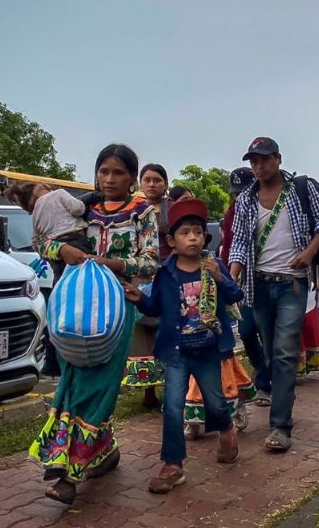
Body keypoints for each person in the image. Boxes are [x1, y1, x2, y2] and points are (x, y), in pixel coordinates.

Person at [29, 144, 159, 504]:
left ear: (132, 178)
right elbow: (40, 241)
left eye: (118, 173)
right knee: (72, 382)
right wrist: (62, 251)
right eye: (104, 171)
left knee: (100, 385)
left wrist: (111, 264)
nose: (109, 179)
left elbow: (150, 263)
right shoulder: (83, 208)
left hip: (118, 308)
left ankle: (68, 472)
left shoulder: (142, 212)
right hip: (76, 307)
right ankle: (103, 452)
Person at [122, 199, 243, 493]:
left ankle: (226, 429)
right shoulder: (165, 273)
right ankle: (173, 465)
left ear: (205, 236)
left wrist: (219, 277)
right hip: (175, 352)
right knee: (174, 408)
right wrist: (140, 299)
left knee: (215, 402)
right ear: (170, 240)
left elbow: (234, 295)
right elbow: (157, 309)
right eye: (185, 232)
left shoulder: (213, 265)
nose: (193, 238)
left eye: (198, 232)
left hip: (207, 349)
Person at [229, 136, 319, 452]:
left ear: (278, 158)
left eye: (264, 159)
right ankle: (280, 402)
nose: (259, 166)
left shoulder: (301, 188)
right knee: (272, 352)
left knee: (286, 352)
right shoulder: (246, 199)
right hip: (258, 285)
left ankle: (280, 426)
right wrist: (232, 276)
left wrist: (310, 252)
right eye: (254, 161)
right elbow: (238, 242)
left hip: (293, 284)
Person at [221, 167, 270, 404]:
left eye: (243, 192)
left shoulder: (267, 206)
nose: (239, 197)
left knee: (269, 334)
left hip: (271, 278)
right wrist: (228, 279)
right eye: (235, 193)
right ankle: (263, 371)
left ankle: (267, 385)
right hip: (244, 281)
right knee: (246, 330)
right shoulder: (232, 213)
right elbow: (231, 247)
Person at [129, 163, 173, 409]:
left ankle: (172, 385)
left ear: (165, 184)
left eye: (157, 180)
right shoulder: (135, 210)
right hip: (141, 277)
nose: (152, 184)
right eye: (147, 180)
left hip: (169, 275)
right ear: (140, 182)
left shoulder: (173, 210)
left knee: (167, 330)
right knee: (143, 334)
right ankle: (148, 390)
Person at [4, 181, 99, 282]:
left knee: (62, 280)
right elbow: (78, 209)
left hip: (56, 259)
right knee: (86, 278)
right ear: (45, 186)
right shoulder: (59, 193)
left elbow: (35, 242)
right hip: (77, 242)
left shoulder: (36, 214)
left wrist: (54, 249)